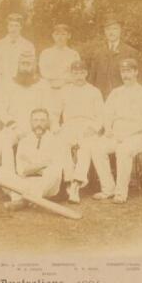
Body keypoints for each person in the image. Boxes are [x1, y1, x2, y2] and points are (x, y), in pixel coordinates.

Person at [91, 58, 142, 204]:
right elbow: (107, 114)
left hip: (136, 135)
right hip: (115, 133)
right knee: (96, 148)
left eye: (128, 71)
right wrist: (108, 129)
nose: (125, 75)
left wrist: (128, 133)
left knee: (123, 150)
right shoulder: (116, 93)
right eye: (123, 72)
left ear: (136, 72)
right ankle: (108, 189)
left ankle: (121, 193)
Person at [0, 108, 63, 211]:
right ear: (31, 122)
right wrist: (43, 164)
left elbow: (55, 167)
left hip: (45, 186)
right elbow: (22, 171)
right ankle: (31, 199)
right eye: (35, 120)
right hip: (25, 183)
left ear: (48, 122)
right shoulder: (24, 141)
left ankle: (21, 201)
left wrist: (33, 167)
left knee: (54, 171)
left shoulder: (55, 141)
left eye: (42, 120)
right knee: (0, 172)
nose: (38, 124)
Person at [0, 50, 53, 171]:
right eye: (23, 64)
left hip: (36, 126)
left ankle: (40, 176)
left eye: (29, 64)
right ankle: (9, 174)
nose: (25, 67)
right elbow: (0, 108)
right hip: (14, 126)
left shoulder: (43, 85)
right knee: (4, 140)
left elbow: (48, 109)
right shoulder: (8, 83)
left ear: (34, 66)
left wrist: (38, 126)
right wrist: (12, 124)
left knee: (47, 142)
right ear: (18, 65)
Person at [57, 60, 104, 203]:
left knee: (86, 145)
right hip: (69, 124)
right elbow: (54, 112)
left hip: (87, 125)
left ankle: (77, 183)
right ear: (71, 74)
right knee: (61, 143)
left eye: (81, 73)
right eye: (75, 73)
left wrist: (94, 128)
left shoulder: (94, 91)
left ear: (86, 73)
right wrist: (55, 126)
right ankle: (69, 180)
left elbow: (101, 115)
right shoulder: (64, 90)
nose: (78, 76)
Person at [39, 24, 80, 125]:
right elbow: (44, 72)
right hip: (50, 89)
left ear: (69, 36)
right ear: (53, 35)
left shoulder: (73, 54)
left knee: (69, 117)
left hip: (67, 89)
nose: (60, 37)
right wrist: (61, 79)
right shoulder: (46, 53)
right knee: (51, 119)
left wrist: (64, 81)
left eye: (63, 34)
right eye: (57, 34)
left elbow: (76, 74)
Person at [89, 15, 138, 99]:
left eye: (114, 29)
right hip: (101, 98)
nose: (111, 32)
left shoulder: (130, 52)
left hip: (123, 98)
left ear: (120, 31)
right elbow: (92, 79)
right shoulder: (98, 53)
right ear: (104, 31)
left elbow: (138, 79)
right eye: (108, 29)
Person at [0, 12, 35, 89]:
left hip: (21, 85)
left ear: (21, 27)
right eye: (11, 25)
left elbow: (31, 67)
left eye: (16, 26)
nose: (13, 29)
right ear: (7, 27)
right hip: (2, 85)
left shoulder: (28, 45)